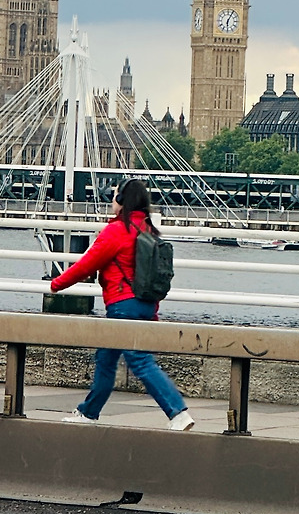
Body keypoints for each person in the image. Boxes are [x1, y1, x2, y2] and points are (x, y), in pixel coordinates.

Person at [50, 178, 194, 429]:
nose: (112, 201)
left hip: (122, 305)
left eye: (114, 196)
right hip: (145, 304)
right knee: (106, 358)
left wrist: (57, 284)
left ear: (121, 200)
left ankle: (178, 413)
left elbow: (87, 264)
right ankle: (89, 412)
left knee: (140, 361)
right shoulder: (148, 229)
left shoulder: (117, 230)